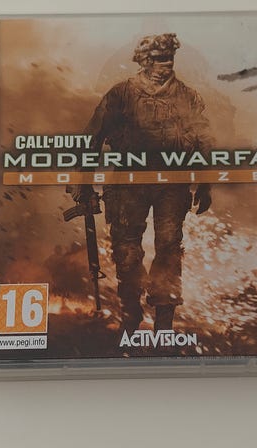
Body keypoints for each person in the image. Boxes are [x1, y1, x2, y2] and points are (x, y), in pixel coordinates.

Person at [73, 33, 214, 333]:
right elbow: (92, 137)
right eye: (159, 59)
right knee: (126, 250)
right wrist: (83, 183)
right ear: (145, 61)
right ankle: (130, 313)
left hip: (172, 184)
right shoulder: (121, 94)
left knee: (169, 248)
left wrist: (205, 184)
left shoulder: (187, 97)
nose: (166, 65)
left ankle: (164, 321)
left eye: (170, 59)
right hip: (128, 183)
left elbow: (204, 139)